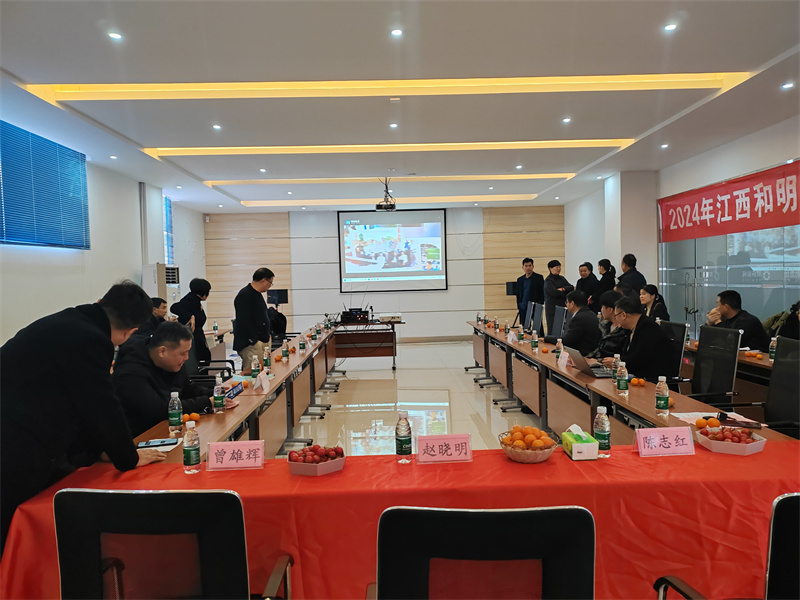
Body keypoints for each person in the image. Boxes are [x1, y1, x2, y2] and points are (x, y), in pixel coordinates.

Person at [0, 281, 167, 552]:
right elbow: (101, 405)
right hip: (16, 442)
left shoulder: (69, 321)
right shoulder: (91, 339)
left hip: (17, 428)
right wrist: (128, 457)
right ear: (130, 332)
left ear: (102, 301)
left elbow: (80, 400)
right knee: (12, 527)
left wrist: (100, 450)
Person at [113, 322, 238, 437]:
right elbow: (160, 409)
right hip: (140, 436)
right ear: (162, 351)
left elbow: (187, 388)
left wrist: (216, 394)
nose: (187, 358)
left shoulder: (172, 363)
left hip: (169, 429)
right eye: (183, 353)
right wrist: (207, 401)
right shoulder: (130, 372)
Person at [599, 295, 674, 379]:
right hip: (635, 375)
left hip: (650, 378)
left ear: (623, 315)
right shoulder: (632, 328)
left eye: (616, 316)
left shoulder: (648, 328)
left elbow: (640, 358)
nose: (616, 319)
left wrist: (618, 362)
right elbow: (625, 353)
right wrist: (603, 360)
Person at [233, 268, 274, 374]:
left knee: (263, 373)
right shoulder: (244, 295)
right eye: (270, 283)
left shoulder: (257, 294)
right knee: (252, 374)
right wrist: (254, 340)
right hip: (252, 344)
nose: (270, 286)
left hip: (262, 340)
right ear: (263, 280)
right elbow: (243, 321)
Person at [706, 290, 771, 350]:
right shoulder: (725, 319)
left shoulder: (748, 321)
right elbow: (707, 340)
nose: (716, 309)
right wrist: (709, 323)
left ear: (726, 307)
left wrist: (717, 321)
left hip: (758, 357)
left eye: (718, 305)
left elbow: (731, 341)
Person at [544, 291, 601, 356]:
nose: (566, 305)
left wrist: (546, 338)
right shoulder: (591, 314)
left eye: (567, 302)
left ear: (572, 303)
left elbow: (567, 341)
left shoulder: (579, 318)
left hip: (583, 355)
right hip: (592, 352)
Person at [170, 278, 212, 365]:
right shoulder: (191, 300)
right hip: (193, 339)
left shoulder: (195, 300)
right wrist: (190, 317)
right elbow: (174, 307)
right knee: (202, 360)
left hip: (196, 336)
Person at [587, 290, 628, 359]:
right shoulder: (605, 326)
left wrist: (599, 361)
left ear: (610, 310)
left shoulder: (623, 331)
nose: (601, 310)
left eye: (602, 307)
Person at [543, 260, 574, 333]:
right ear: (550, 269)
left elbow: (571, 287)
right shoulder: (548, 280)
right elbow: (554, 293)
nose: (558, 269)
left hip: (563, 306)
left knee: (563, 328)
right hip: (552, 309)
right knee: (553, 328)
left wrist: (563, 289)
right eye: (556, 267)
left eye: (559, 267)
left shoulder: (562, 278)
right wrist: (565, 293)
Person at [515, 257, 545, 322]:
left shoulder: (539, 278)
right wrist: (519, 305)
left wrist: (539, 304)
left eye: (529, 266)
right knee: (523, 326)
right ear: (522, 267)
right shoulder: (520, 279)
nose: (528, 268)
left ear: (533, 266)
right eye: (526, 266)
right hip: (523, 306)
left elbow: (542, 292)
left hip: (535, 306)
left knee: (538, 325)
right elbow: (518, 294)